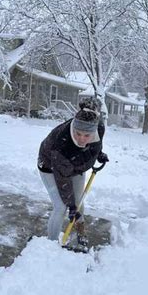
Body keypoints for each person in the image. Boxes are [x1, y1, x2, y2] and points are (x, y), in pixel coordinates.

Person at [38, 98, 109, 247]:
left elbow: (96, 143)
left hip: (75, 165)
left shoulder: (99, 127)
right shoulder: (62, 144)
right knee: (61, 207)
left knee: (79, 202)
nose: (81, 139)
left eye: (86, 135)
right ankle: (50, 246)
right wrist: (71, 206)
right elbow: (63, 179)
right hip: (50, 166)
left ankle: (80, 230)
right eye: (78, 134)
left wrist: (98, 154)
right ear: (73, 127)